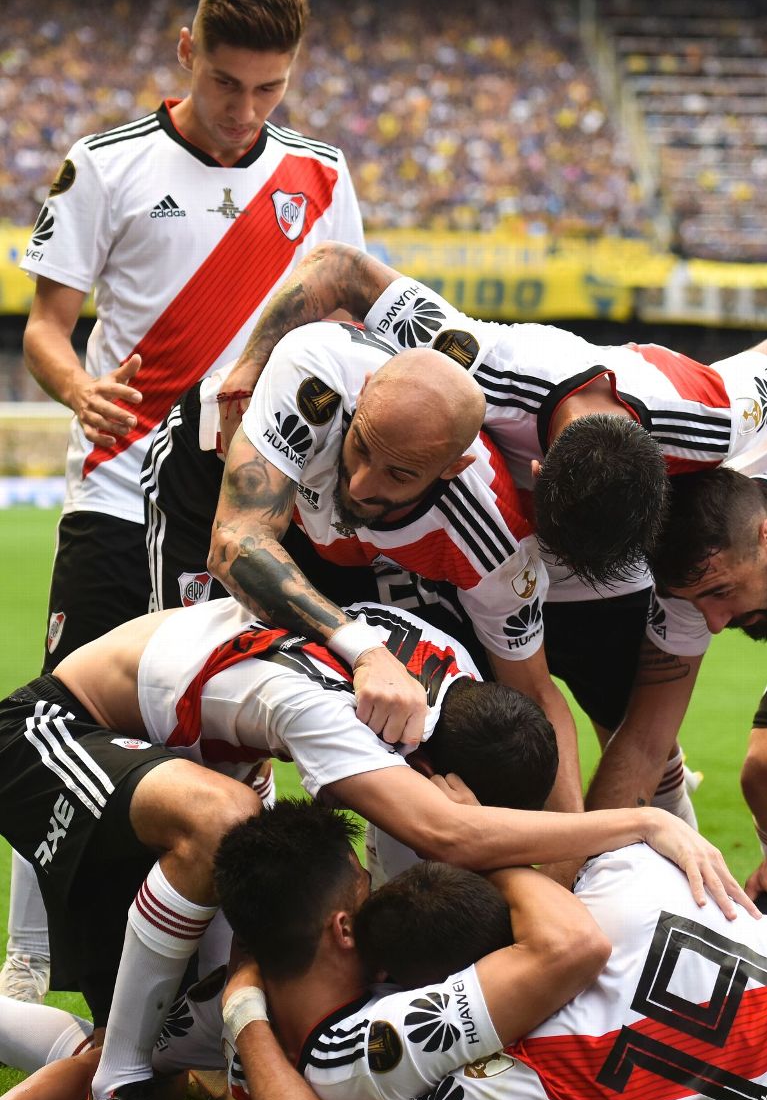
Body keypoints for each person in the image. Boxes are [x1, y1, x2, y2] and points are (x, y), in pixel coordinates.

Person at [0, 594, 744, 1100]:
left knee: (158, 1036)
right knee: (222, 826)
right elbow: (448, 832)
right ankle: (118, 1085)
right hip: (62, 728)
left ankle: (124, 1062)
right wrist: (645, 822)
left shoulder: (455, 685)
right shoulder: (349, 722)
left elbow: (443, 840)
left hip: (200, 754)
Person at [212, 241, 767, 836]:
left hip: (615, 560)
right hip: (480, 545)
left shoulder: (713, 417)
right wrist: (248, 367)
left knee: (633, 726)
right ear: (536, 472)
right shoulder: (466, 357)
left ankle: (667, 860)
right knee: (467, 723)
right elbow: (339, 268)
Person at [5, 0, 366, 1003]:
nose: (244, 110)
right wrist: (79, 392)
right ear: (185, 54)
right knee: (63, 723)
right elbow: (45, 330)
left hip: (250, 507)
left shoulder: (320, 176)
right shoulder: (104, 166)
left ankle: (209, 976)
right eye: (225, 84)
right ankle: (30, 959)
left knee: (231, 728)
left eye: (269, 90)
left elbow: (339, 321)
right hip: (118, 495)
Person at [225, 825, 767, 1100]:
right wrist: (477, 841)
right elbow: (568, 938)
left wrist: (242, 1005)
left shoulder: (514, 1084)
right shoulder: (625, 873)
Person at [145, 322, 583, 819]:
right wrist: (367, 650)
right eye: (363, 446)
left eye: (398, 473)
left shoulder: (493, 547)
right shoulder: (316, 373)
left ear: (452, 468)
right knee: (185, 692)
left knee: (438, 715)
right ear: (365, 388)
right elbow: (234, 544)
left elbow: (535, 693)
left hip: (348, 542)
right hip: (215, 474)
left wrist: (568, 860)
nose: (359, 483)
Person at [0, 800, 613, 1100]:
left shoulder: (407, 976)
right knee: (143, 1072)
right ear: (343, 928)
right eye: (365, 885)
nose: (378, 890)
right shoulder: (245, 1002)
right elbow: (108, 1068)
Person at [587, 384, 767, 939]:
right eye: (697, 603)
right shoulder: (701, 554)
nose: (714, 623)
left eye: (721, 594)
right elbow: (644, 738)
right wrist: (581, 887)